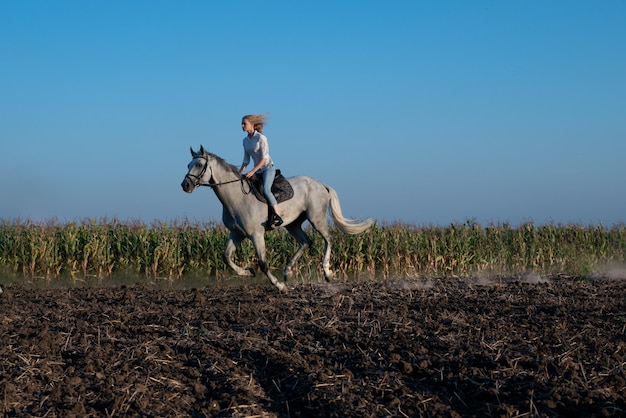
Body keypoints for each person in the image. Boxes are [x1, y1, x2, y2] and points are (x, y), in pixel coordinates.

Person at [239, 114, 283, 228]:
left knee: (266, 189)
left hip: (267, 168)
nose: (242, 125)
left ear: (252, 125)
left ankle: (277, 215)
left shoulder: (261, 138)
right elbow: (246, 159)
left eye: (244, 123)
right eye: (242, 123)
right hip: (257, 170)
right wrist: (239, 172)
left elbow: (264, 158)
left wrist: (253, 171)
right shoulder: (245, 141)